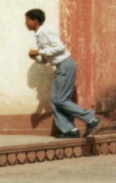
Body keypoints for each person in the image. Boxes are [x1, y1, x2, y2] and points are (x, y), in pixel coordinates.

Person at [24, 8, 100, 139]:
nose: (26, 23)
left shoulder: (44, 32)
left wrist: (39, 52)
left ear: (35, 21)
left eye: (27, 20)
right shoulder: (38, 35)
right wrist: (36, 57)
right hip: (61, 66)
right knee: (54, 100)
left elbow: (60, 48)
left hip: (65, 65)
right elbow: (46, 59)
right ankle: (70, 130)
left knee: (60, 99)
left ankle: (90, 118)